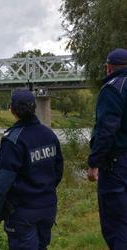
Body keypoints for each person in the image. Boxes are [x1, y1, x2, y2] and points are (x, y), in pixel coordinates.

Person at [0, 88, 63, 250]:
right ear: (34, 107)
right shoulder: (49, 134)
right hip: (48, 207)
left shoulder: (13, 139)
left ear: (12, 110)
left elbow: (3, 181)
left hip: (22, 212)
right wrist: (44, 190)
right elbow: (58, 170)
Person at [88, 48, 127, 249]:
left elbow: (106, 130)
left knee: (116, 225)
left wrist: (94, 164)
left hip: (117, 166)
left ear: (108, 68)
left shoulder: (113, 89)